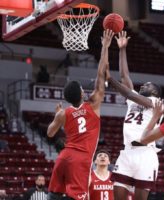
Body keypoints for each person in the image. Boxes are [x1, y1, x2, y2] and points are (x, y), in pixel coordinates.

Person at [46, 29, 114, 200]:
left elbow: (50, 133)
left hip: (65, 156)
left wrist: (57, 118)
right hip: (81, 160)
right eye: (83, 89)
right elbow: (100, 75)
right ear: (82, 94)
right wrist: (105, 47)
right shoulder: (93, 104)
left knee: (53, 194)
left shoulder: (63, 113)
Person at [106, 31, 163, 200]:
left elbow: (130, 94)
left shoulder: (155, 103)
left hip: (145, 154)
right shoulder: (135, 101)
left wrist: (109, 79)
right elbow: (125, 76)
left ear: (156, 93)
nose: (144, 85)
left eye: (149, 85)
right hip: (127, 152)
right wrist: (122, 50)